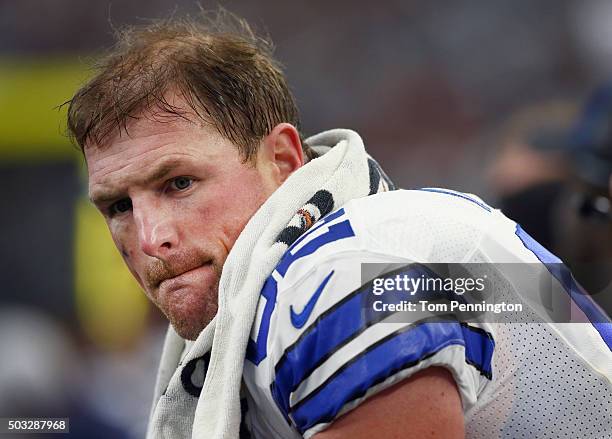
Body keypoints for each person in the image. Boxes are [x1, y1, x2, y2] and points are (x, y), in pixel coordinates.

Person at [66, 12, 612, 439]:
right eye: (118, 207)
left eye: (179, 183)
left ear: (282, 161)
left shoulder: (345, 271)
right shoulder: (383, 236)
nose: (149, 238)